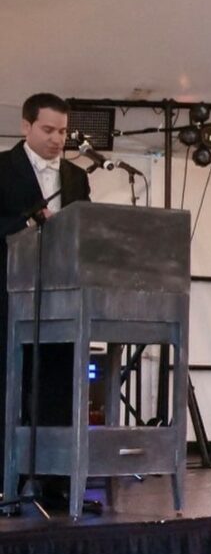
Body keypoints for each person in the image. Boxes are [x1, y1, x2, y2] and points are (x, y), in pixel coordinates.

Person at [0, 92, 91, 469]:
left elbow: (85, 230)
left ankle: (54, 476)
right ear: (26, 126)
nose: (57, 139)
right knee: (9, 381)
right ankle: (7, 474)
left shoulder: (76, 176)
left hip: (60, 294)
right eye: (48, 129)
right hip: (9, 292)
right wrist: (28, 223)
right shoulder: (3, 167)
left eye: (63, 132)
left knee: (57, 381)